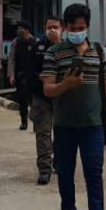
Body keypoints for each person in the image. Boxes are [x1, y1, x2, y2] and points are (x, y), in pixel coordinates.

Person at [41, 3, 106, 210]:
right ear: (65, 28)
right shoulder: (53, 53)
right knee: (65, 172)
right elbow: (48, 90)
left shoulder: (97, 51)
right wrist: (67, 84)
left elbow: (105, 84)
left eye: (81, 28)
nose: (77, 32)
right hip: (65, 125)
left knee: (94, 173)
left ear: (88, 26)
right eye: (73, 28)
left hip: (93, 125)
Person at [27, 16, 62, 185]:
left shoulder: (67, 47)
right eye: (49, 27)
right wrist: (40, 77)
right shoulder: (37, 46)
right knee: (43, 133)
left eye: (56, 27)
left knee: (62, 132)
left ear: (62, 29)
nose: (52, 30)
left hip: (62, 96)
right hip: (41, 96)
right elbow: (28, 70)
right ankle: (44, 169)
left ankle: (59, 161)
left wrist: (58, 44)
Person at [8, 20, 40, 131]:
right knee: (22, 100)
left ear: (27, 30)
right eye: (18, 29)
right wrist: (11, 75)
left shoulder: (36, 42)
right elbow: (11, 59)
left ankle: (36, 123)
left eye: (20, 28)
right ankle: (23, 121)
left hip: (33, 76)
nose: (18, 30)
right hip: (20, 75)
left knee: (34, 101)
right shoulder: (15, 42)